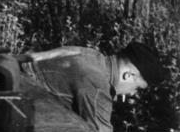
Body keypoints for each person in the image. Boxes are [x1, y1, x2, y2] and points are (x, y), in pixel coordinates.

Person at [20, 41, 167, 132]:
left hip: (15, 75)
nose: (133, 94)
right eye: (137, 88)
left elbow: (36, 57)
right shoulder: (98, 88)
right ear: (128, 76)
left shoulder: (92, 55)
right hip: (19, 102)